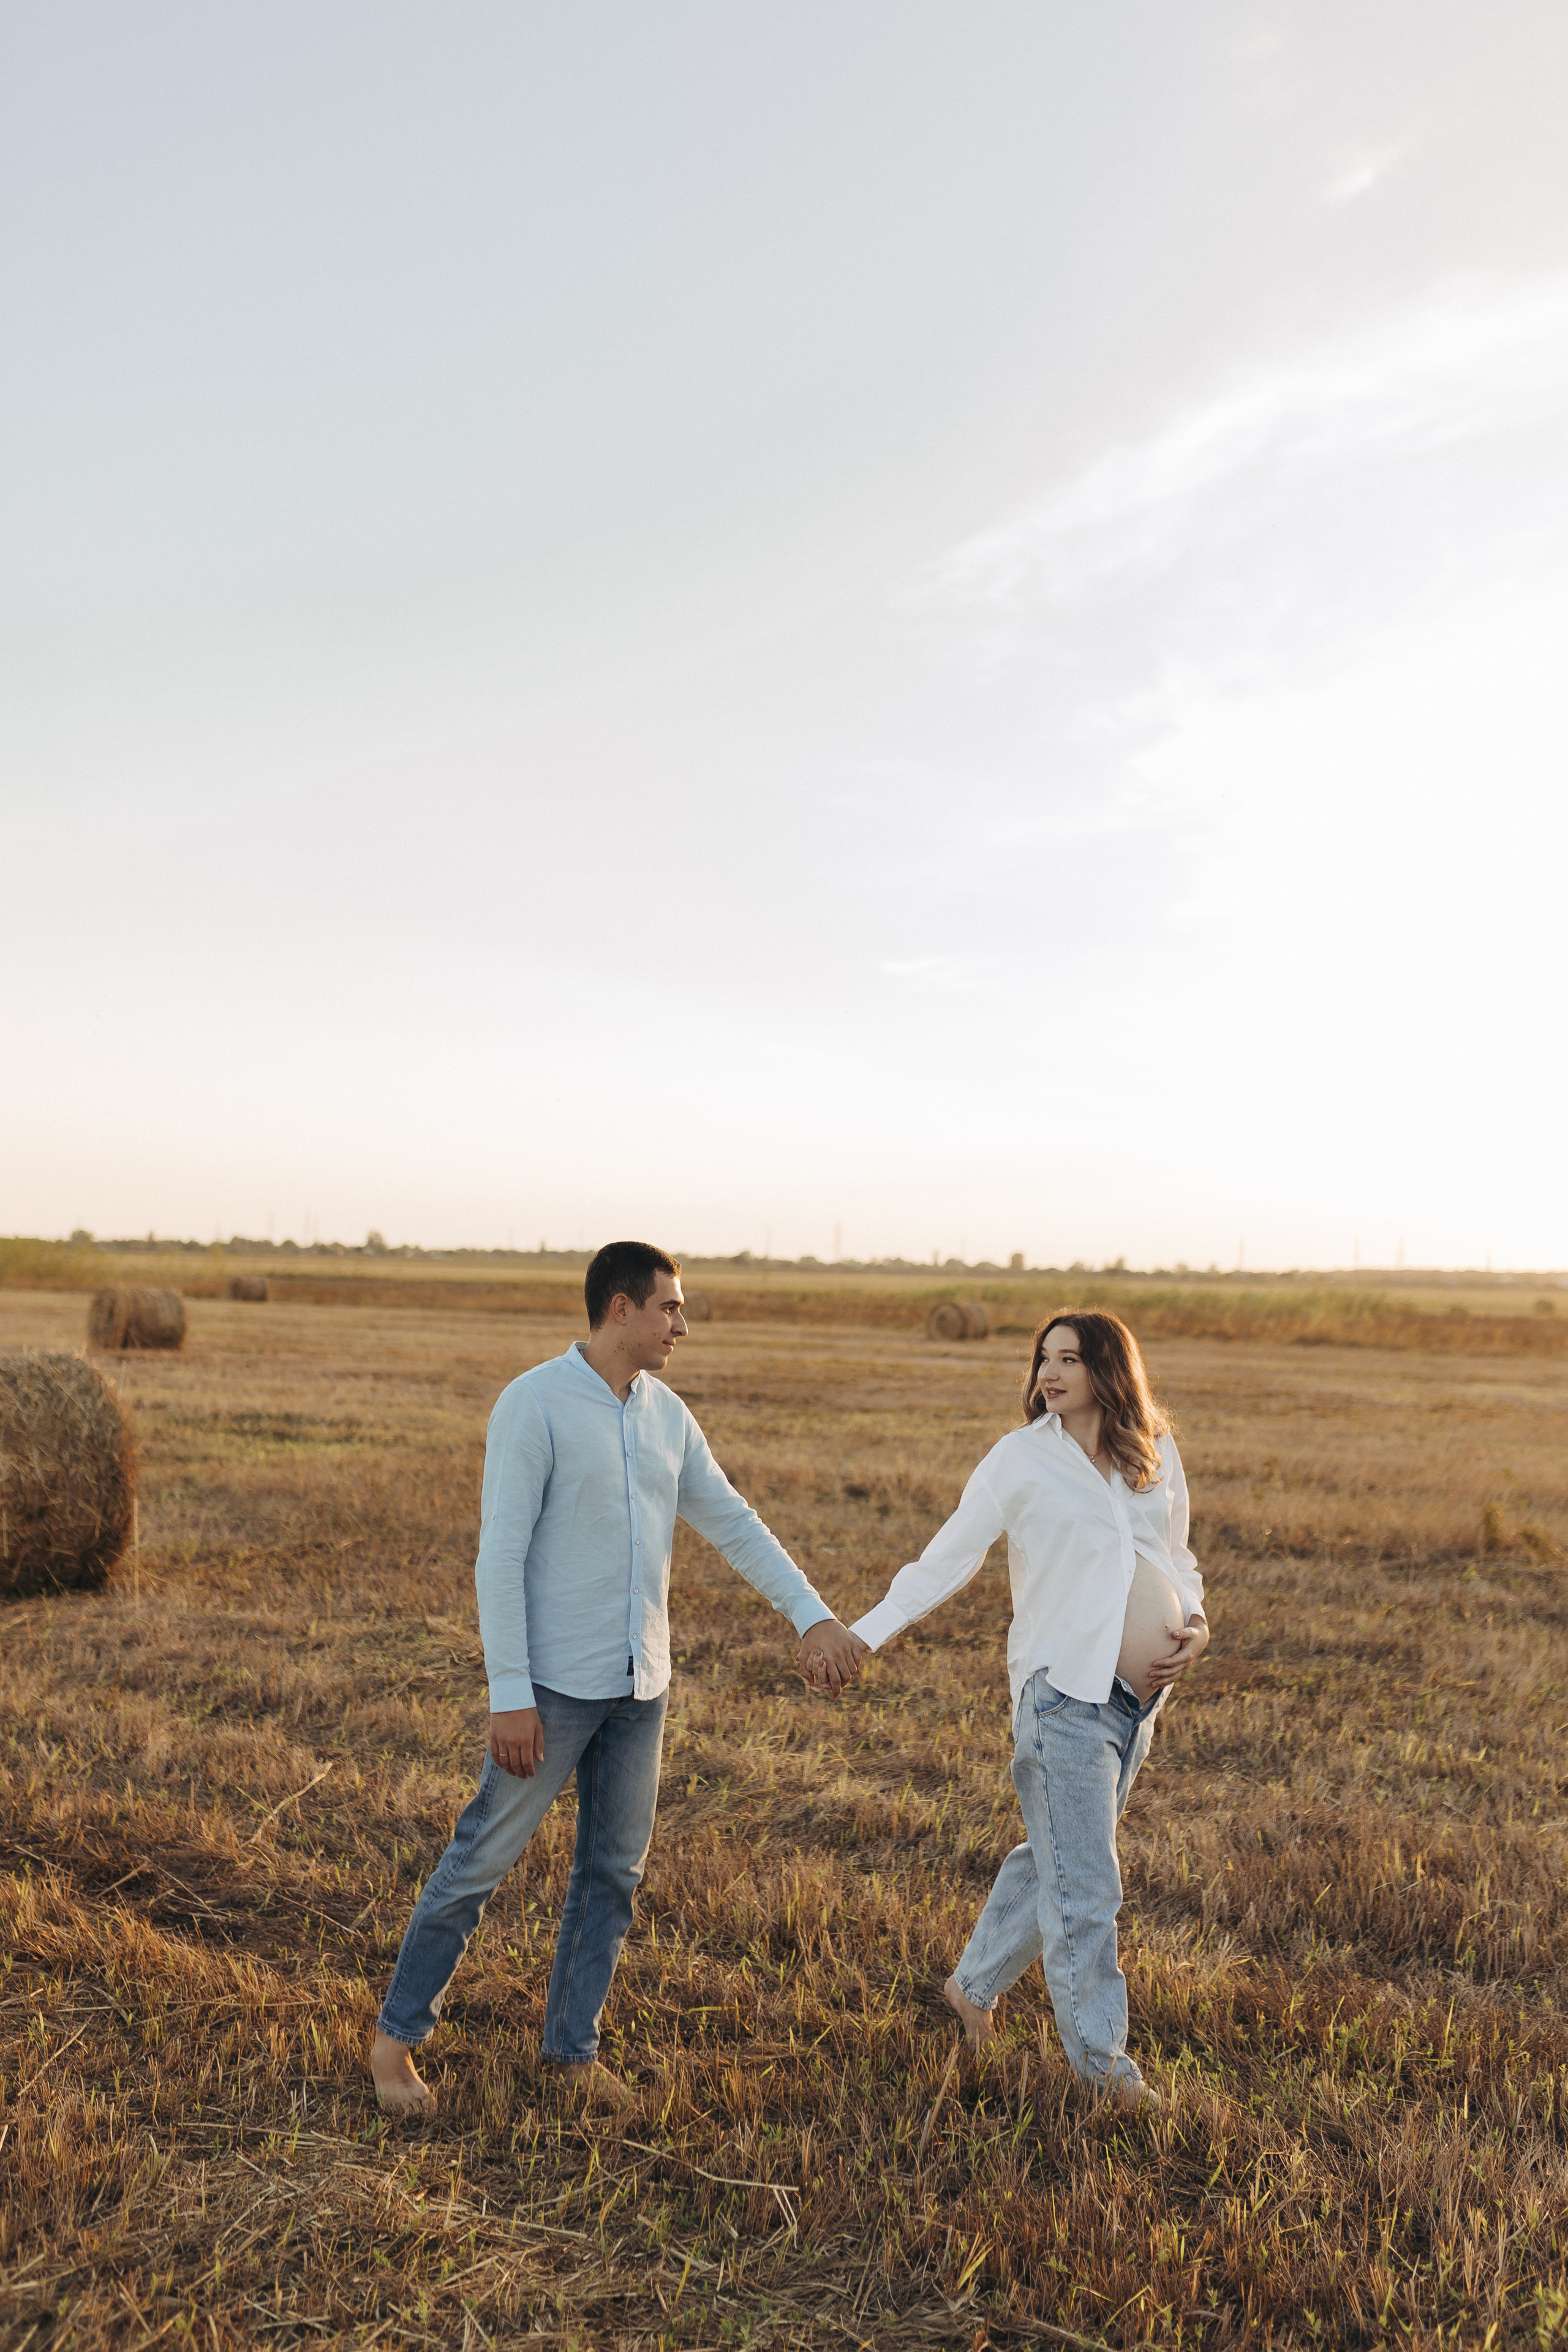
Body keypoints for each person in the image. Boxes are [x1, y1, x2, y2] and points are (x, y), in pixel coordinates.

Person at [372, 1240, 864, 2114]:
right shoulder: (535, 1405)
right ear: (621, 1309)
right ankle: (395, 2044)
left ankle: (572, 2052)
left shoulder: (667, 1416)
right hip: (553, 1690)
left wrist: (812, 1613)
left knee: (612, 1876)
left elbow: (736, 1524)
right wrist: (509, 1695)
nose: (683, 1323)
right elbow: (500, 1559)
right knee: (479, 1864)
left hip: (642, 1686)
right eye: (671, 1307)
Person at [844, 1310, 1208, 2108]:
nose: (1050, 1374)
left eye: (1069, 1360)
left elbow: (1176, 1558)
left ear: (1108, 1371)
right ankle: (1107, 2073)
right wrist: (862, 1636)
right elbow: (947, 1559)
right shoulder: (1018, 1461)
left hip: (1135, 1706)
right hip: (1061, 1696)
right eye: (1044, 1359)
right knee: (1087, 1888)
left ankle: (971, 1988)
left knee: (1057, 1857)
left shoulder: (1152, 1453)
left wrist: (1197, 1622)